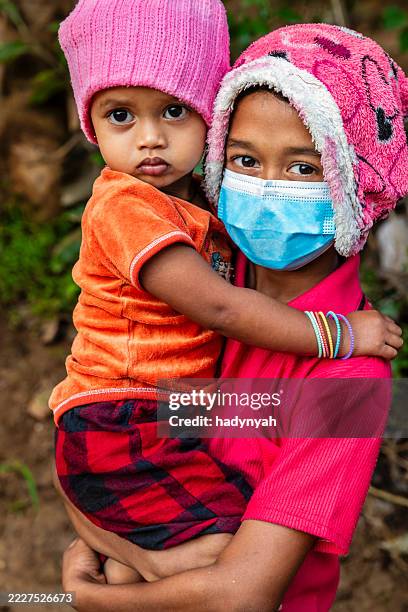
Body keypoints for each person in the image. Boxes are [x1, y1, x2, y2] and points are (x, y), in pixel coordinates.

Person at [60, 23, 408, 611]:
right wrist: (121, 542)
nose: (266, 186)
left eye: (304, 167)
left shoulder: (349, 384)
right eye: (245, 158)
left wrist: (92, 594)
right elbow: (113, 433)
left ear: (358, 181)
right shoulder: (211, 286)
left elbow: (242, 594)